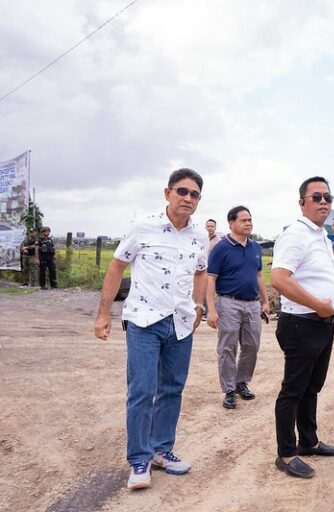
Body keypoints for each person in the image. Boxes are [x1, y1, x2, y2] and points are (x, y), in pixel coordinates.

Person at [93, 168, 208, 490]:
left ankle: (162, 450)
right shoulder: (143, 227)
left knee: (172, 389)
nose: (188, 198)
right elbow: (117, 266)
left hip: (181, 323)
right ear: (167, 193)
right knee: (142, 390)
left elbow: (202, 271)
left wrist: (198, 306)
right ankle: (139, 458)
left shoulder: (199, 236)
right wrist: (104, 314)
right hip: (144, 320)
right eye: (182, 192)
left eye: (194, 194)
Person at [271, 176, 334, 479]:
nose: (323, 203)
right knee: (293, 390)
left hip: (323, 323)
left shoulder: (322, 236)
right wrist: (318, 304)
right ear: (302, 202)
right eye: (316, 197)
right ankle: (287, 453)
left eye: (328, 198)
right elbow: (279, 278)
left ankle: (309, 441)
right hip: (301, 323)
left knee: (311, 388)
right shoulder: (296, 234)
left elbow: (319, 277)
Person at [206, 206, 270, 409]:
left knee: (252, 345)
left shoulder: (255, 248)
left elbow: (259, 276)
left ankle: (241, 382)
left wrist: (266, 301)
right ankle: (229, 390)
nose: (249, 223)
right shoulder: (221, 248)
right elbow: (210, 279)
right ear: (231, 223)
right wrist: (212, 310)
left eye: (250, 220)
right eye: (244, 220)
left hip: (252, 303)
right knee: (227, 347)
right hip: (228, 302)